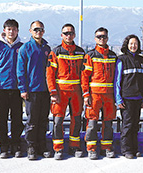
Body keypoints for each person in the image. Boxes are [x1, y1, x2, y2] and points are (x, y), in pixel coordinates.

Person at [46, 23, 85, 160]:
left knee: (77, 119)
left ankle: (74, 146)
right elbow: (50, 74)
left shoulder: (80, 52)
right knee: (58, 120)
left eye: (71, 33)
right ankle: (58, 148)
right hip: (60, 92)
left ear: (74, 35)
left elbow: (85, 74)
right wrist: (53, 92)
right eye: (66, 33)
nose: (68, 35)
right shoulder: (55, 52)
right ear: (61, 35)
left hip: (76, 92)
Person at [17, 20, 52, 161]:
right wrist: (23, 89)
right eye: (36, 29)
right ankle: (31, 146)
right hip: (31, 91)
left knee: (43, 120)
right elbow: (20, 71)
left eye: (41, 29)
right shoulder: (25, 48)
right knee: (32, 121)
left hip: (45, 91)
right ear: (30, 31)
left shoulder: (47, 48)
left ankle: (41, 146)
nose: (39, 32)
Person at [0, 19, 24, 159]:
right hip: (1, 88)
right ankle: (4, 145)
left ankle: (15, 144)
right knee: (1, 118)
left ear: (17, 31)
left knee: (17, 118)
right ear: (4, 30)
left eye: (14, 29)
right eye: (9, 29)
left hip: (17, 89)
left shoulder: (22, 47)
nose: (11, 32)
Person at [81, 27, 117, 160]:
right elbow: (84, 77)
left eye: (104, 36)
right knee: (92, 123)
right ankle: (91, 149)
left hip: (109, 96)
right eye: (99, 36)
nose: (102, 39)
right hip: (94, 95)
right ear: (95, 39)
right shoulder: (90, 55)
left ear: (107, 38)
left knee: (108, 122)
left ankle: (106, 147)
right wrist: (86, 95)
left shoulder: (113, 55)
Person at [114, 34, 143, 159]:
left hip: (138, 98)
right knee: (127, 125)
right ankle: (126, 150)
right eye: (131, 43)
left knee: (135, 124)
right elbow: (117, 80)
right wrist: (118, 98)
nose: (133, 46)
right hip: (126, 98)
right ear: (127, 45)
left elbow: (142, 80)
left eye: (135, 43)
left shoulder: (141, 60)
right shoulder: (122, 59)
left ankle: (134, 148)